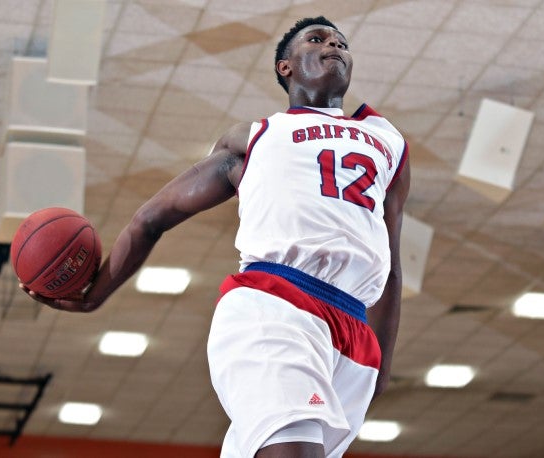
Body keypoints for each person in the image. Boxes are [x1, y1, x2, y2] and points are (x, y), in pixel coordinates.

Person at [22, 16, 410, 458]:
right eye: (317, 39)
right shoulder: (255, 138)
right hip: (275, 303)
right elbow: (153, 217)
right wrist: (97, 293)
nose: (333, 45)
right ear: (285, 67)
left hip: (353, 329)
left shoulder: (387, 141)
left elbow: (392, 263)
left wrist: (382, 360)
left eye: (341, 42)